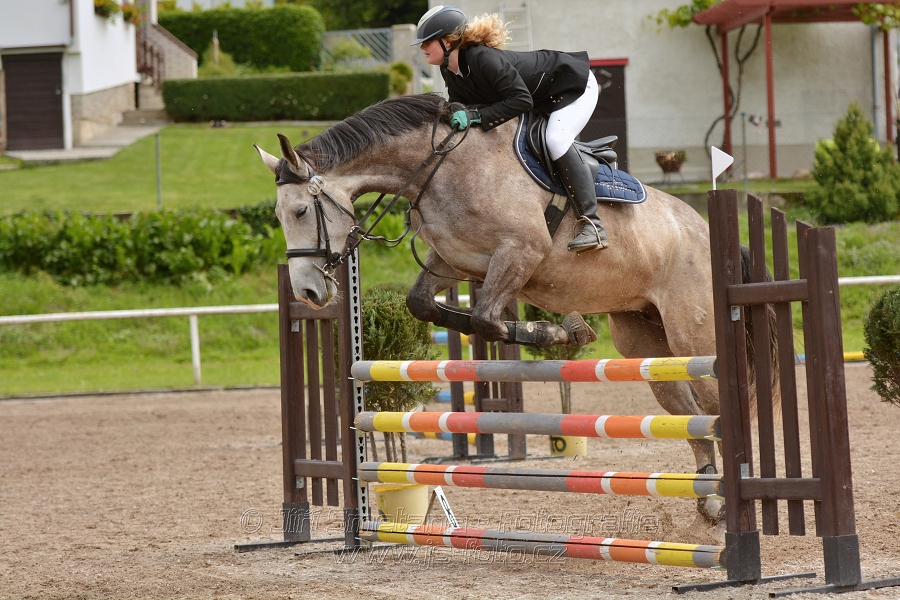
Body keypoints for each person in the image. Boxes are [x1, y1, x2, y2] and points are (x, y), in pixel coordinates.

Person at [412, 5, 608, 253]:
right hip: (542, 98)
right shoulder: (450, 69)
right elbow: (460, 106)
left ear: (448, 41)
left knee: (556, 140)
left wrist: (474, 116)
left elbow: (520, 101)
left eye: (428, 41)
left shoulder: (483, 59)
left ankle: (593, 224)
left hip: (573, 88)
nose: (422, 47)